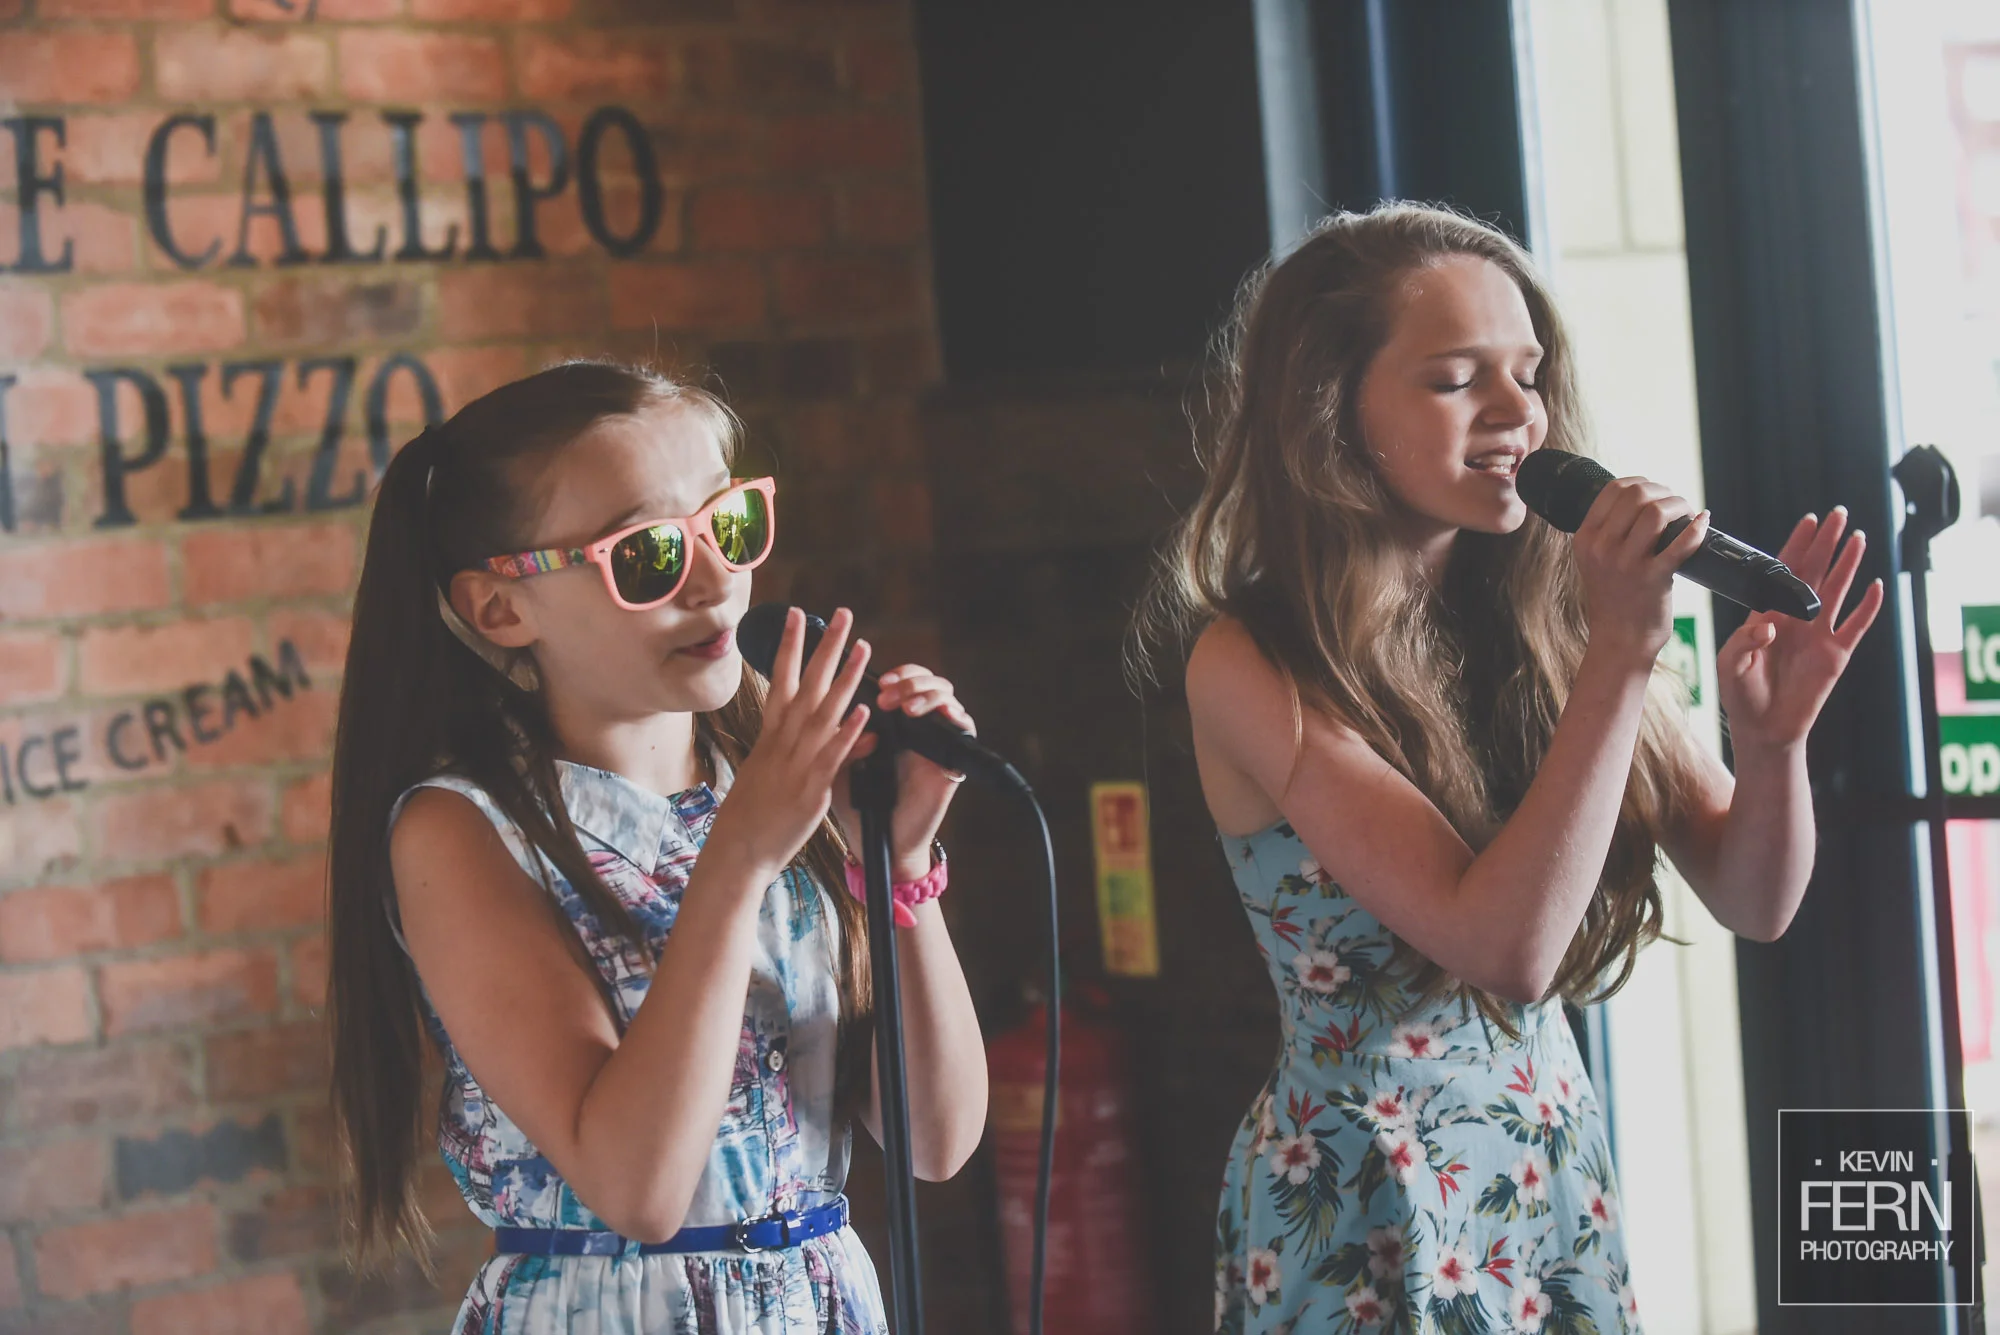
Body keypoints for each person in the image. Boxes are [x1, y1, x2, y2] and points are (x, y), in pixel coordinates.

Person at [1134, 204, 1883, 1334]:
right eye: (1454, 379)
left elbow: (1754, 896)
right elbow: (1505, 948)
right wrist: (1623, 650)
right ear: (1328, 410)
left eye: (1527, 375)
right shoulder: (1252, 659)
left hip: (1541, 1167)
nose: (1516, 412)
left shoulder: (1553, 617)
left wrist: (1772, 746)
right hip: (1364, 1197)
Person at [324, 360, 987, 1334]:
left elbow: (936, 1138)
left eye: (728, 525)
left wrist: (894, 862)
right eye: (648, 556)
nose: (716, 581)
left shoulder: (771, 776)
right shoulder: (462, 830)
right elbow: (637, 1186)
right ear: (501, 607)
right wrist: (741, 858)